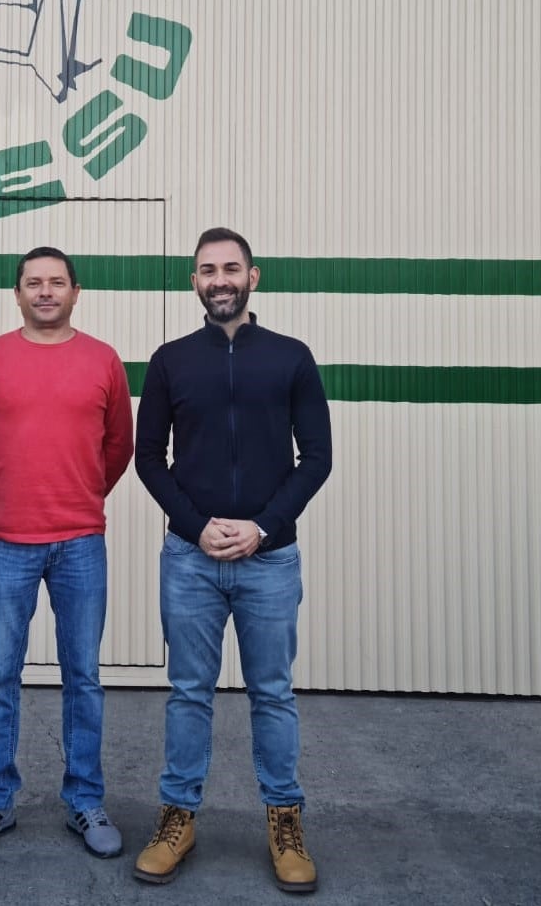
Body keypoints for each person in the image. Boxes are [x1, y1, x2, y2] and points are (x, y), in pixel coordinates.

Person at [132, 227, 332, 894]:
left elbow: (317, 458)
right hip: (190, 560)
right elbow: (147, 459)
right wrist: (197, 528)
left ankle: (285, 822)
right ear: (193, 281)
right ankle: (177, 818)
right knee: (189, 692)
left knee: (271, 693)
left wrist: (263, 527)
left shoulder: (291, 357)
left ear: (253, 277)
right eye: (207, 270)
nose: (219, 279)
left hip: (269, 560)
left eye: (230, 268)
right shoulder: (170, 361)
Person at [0, 247, 134, 859]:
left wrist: (81, 496)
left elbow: (118, 447)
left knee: (84, 677)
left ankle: (85, 800)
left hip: (81, 541)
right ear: (18, 293)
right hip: (6, 542)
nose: (46, 292)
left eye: (57, 282)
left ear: (76, 292)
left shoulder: (104, 360)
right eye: (34, 283)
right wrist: (6, 495)